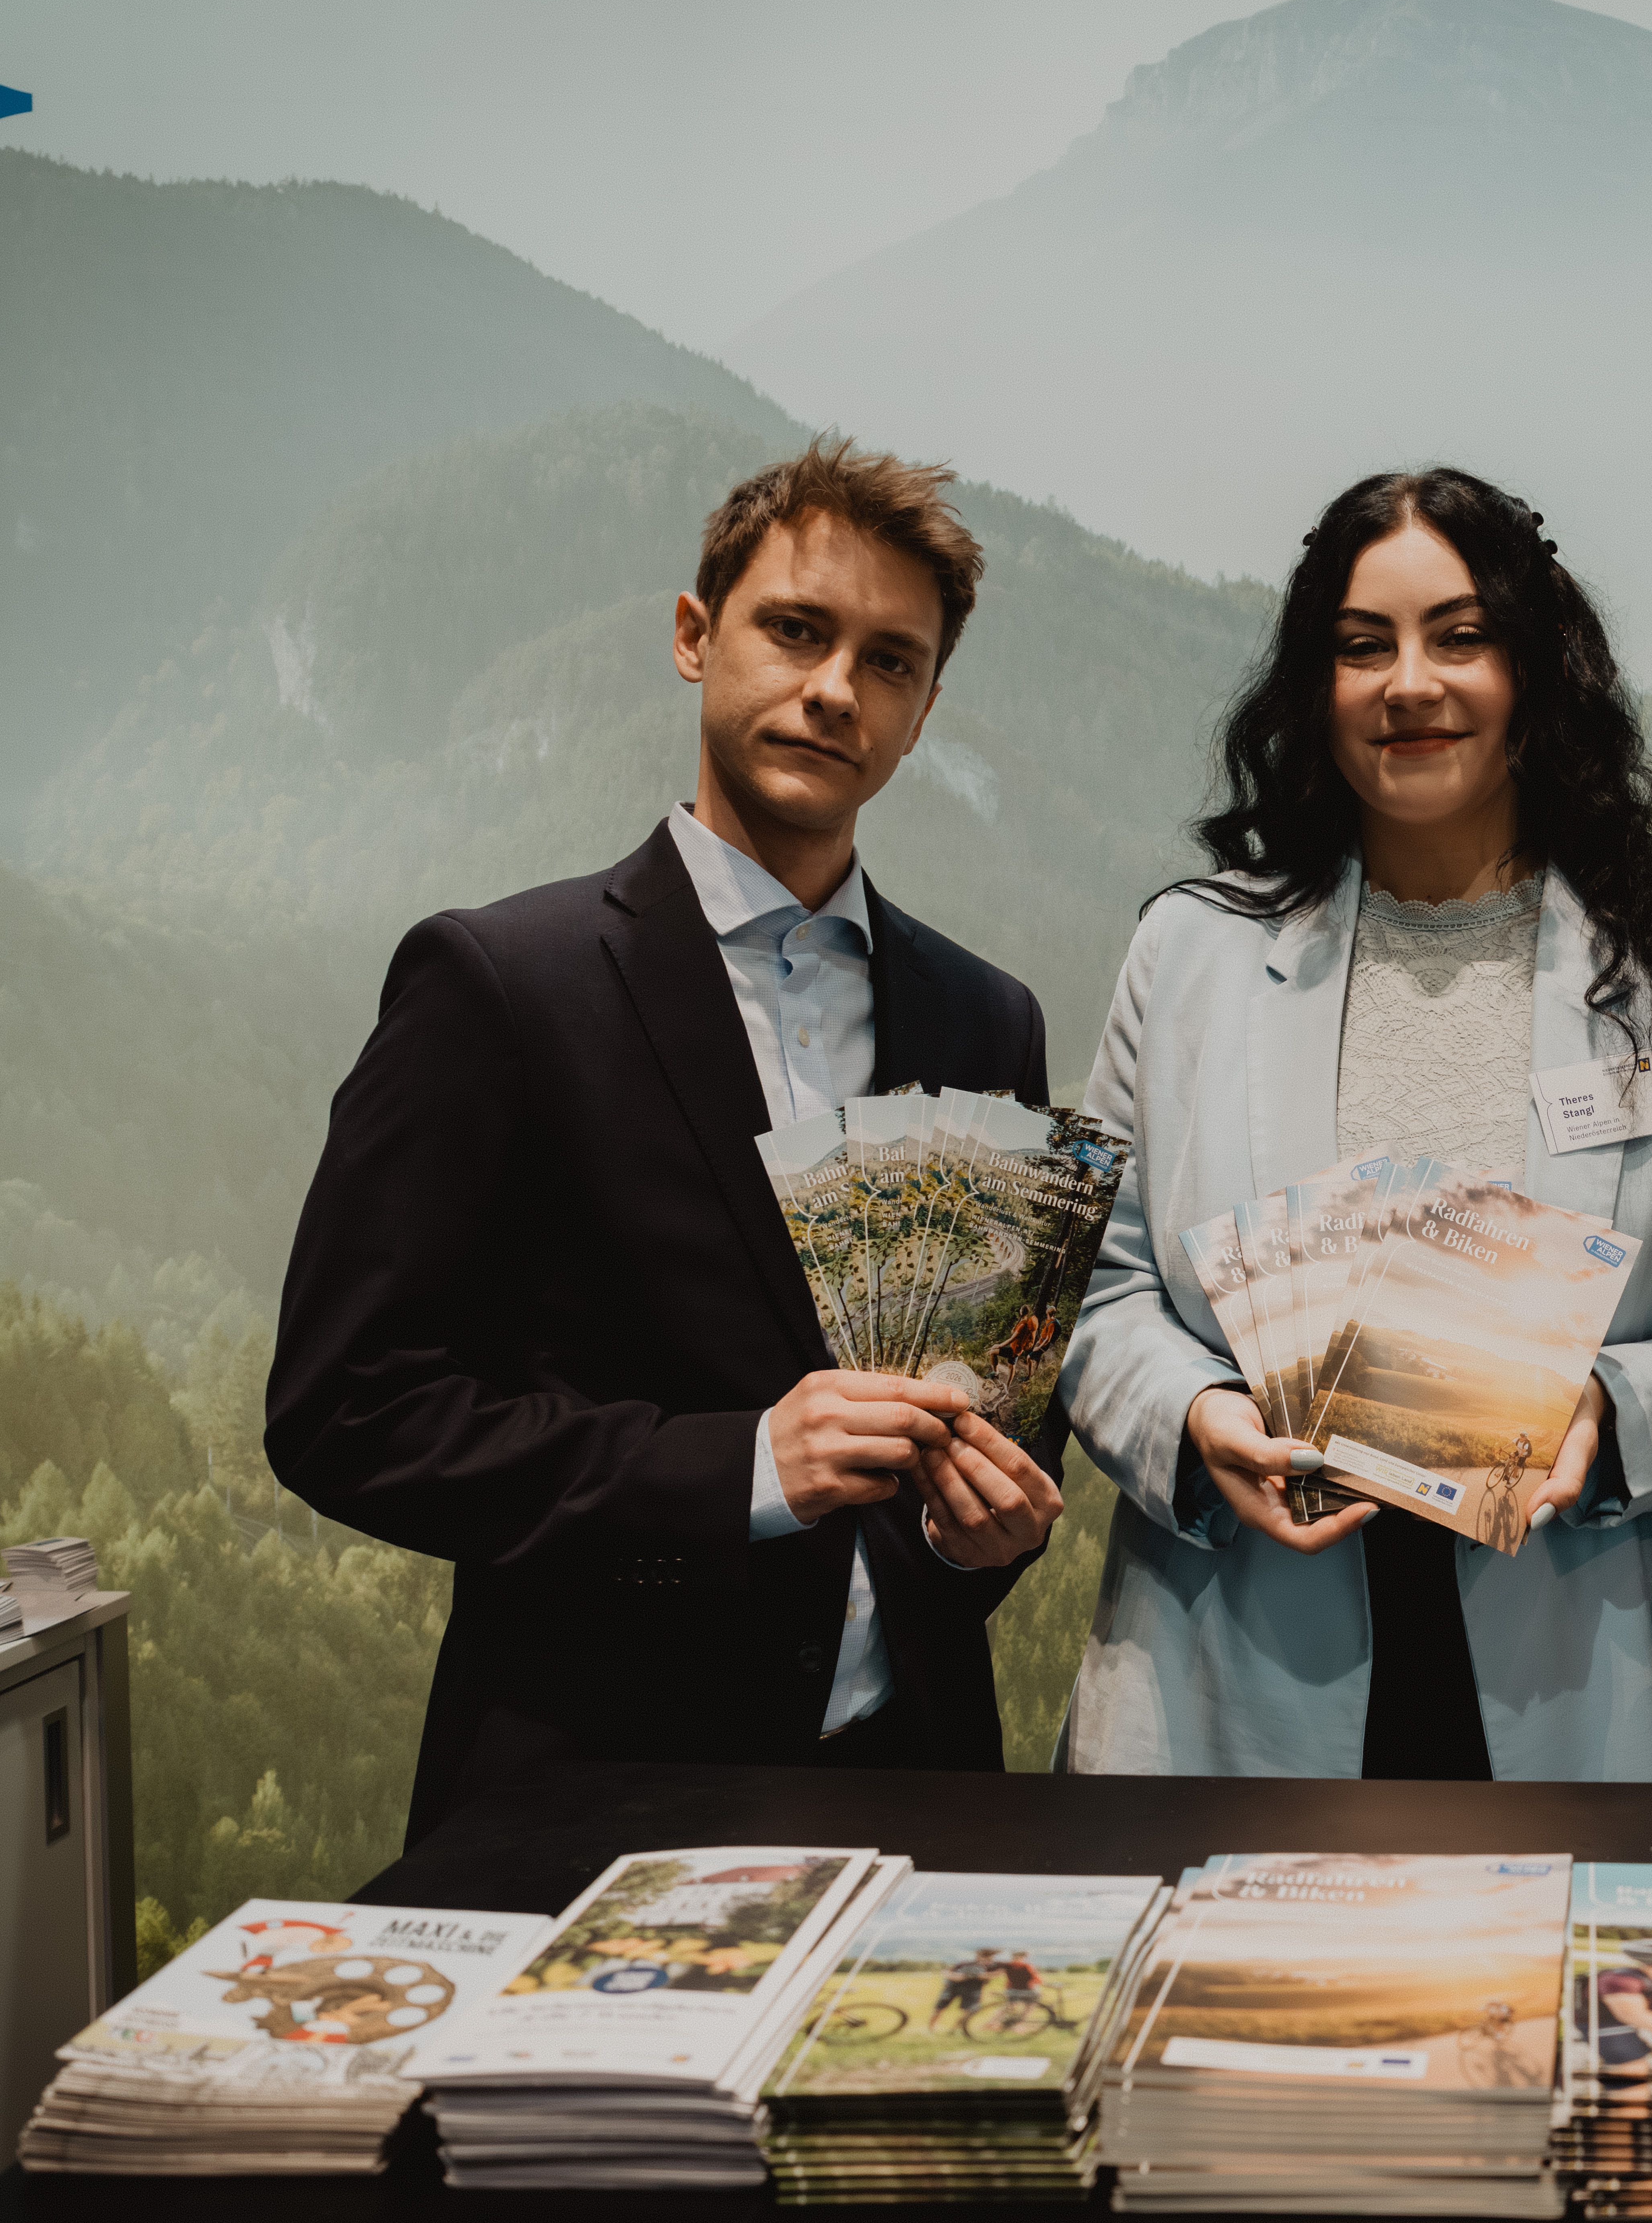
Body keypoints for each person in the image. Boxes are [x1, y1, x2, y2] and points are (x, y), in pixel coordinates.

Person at [268, 441, 1066, 1844]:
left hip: (917, 1798)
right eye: (798, 631)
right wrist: (745, 1468)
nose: (835, 692)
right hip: (593, 1800)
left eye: (890, 662)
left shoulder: (987, 1020)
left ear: (925, 710)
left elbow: (990, 1427)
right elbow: (348, 1411)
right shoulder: (501, 984)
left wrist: (975, 1530)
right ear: (697, 637)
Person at [1055, 467, 1652, 1780]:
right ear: (1316, 687)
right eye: (1364, 648)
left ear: (1533, 672)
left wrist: (1610, 1409)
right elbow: (1096, 1289)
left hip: (1590, 1660)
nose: (1409, 684)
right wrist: (1196, 1417)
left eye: (1460, 637)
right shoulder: (1184, 956)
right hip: (1244, 1655)